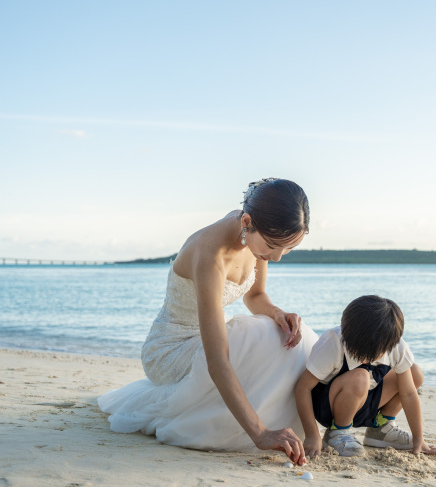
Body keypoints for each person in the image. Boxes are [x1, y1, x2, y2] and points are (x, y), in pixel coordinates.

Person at [98, 178, 315, 465]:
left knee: (287, 336)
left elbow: (257, 295)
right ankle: (256, 422)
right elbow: (218, 361)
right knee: (255, 334)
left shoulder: (255, 230)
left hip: (211, 335)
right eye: (273, 246)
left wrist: (276, 313)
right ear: (247, 221)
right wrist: (260, 433)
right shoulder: (209, 254)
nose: (275, 258)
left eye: (287, 249)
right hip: (171, 347)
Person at [294, 295, 436, 458]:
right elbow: (303, 388)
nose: (361, 356)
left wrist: (418, 438)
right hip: (329, 406)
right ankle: (337, 432)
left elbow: (408, 393)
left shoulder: (395, 345)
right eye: (355, 350)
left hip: (365, 402)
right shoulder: (333, 342)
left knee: (414, 373)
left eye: (371, 355)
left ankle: (381, 429)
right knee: (360, 376)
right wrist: (312, 435)